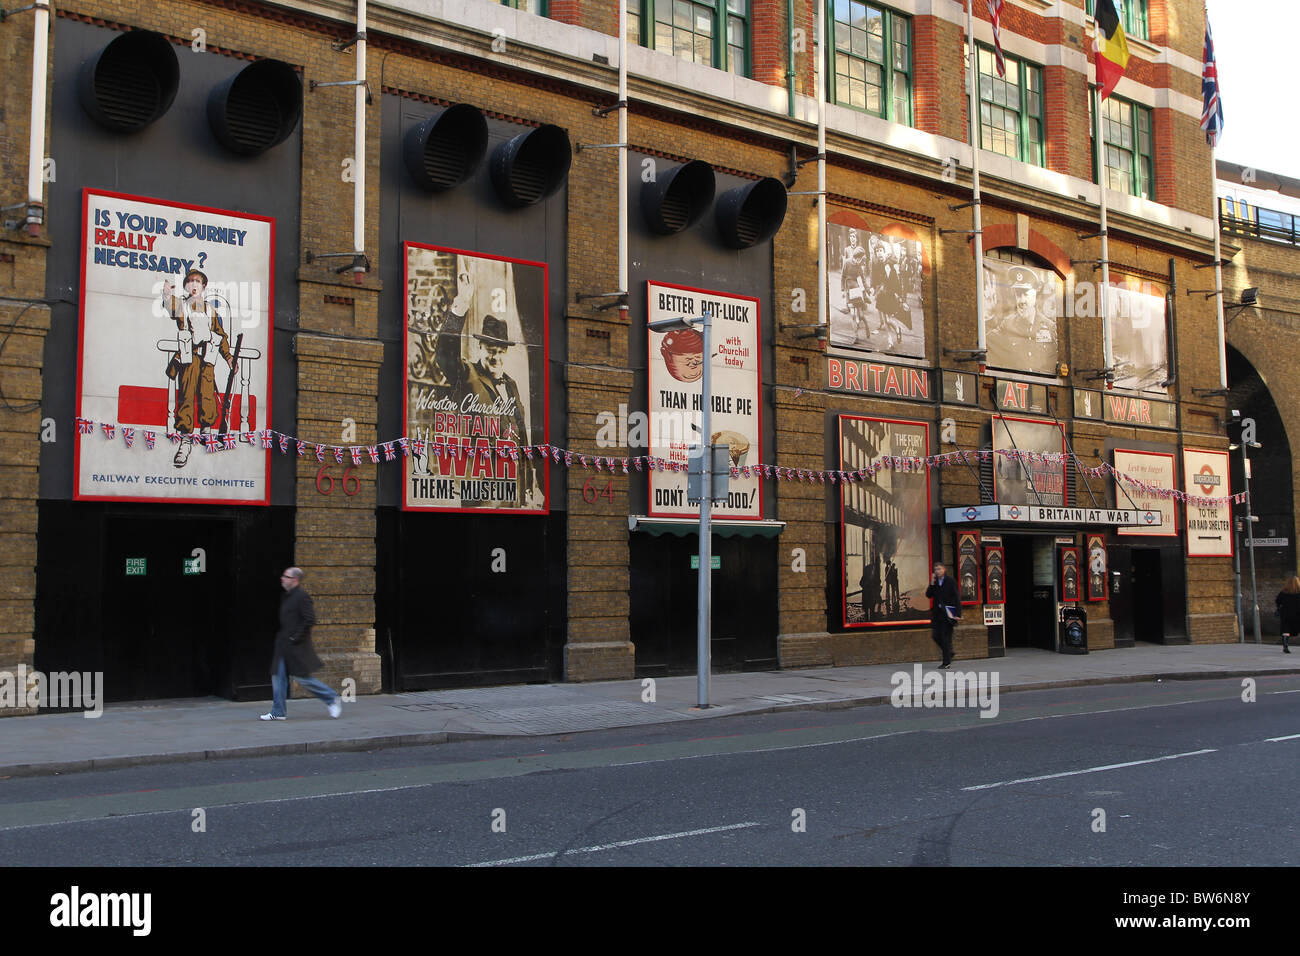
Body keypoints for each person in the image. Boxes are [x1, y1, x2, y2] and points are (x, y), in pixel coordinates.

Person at [160, 268, 233, 468]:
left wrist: (228, 357)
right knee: (186, 395)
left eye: (197, 281)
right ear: (186, 285)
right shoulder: (182, 306)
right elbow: (171, 306)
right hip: (188, 358)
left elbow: (221, 335)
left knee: (207, 395)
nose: (194, 284)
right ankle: (185, 441)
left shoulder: (211, 311)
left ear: (204, 286)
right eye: (190, 281)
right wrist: (166, 295)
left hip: (207, 359)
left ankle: (206, 434)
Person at [261, 568, 342, 720]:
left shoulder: (302, 596)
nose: (282, 578)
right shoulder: (286, 596)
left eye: (286, 576)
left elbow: (310, 619)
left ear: (295, 580)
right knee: (277, 676)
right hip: (283, 645)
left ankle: (331, 698)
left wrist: (295, 638)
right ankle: (278, 712)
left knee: (302, 678)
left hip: (296, 646)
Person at [925, 561, 960, 668]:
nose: (937, 571)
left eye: (939, 569)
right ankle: (949, 651)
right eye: (936, 569)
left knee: (945, 638)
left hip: (947, 614)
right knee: (935, 636)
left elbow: (957, 597)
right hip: (937, 614)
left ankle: (946, 662)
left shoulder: (950, 581)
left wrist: (958, 613)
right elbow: (928, 595)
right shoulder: (935, 583)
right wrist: (931, 583)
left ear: (944, 569)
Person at [1275, 576, 1300, 654]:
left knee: (1286, 630)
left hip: (1286, 614)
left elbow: (1278, 601)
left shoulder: (1283, 593)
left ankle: (1285, 645)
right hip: (1298, 614)